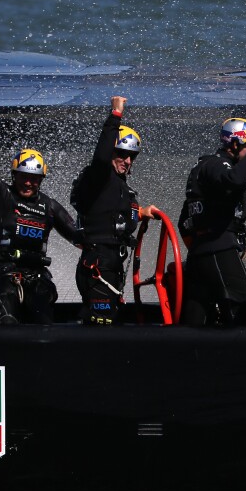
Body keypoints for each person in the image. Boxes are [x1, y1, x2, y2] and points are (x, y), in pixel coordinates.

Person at [0, 109, 81, 324]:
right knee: (6, 319)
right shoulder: (1, 195)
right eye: (23, 177)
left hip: (37, 278)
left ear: (41, 179)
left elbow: (79, 238)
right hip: (4, 276)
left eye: (34, 179)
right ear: (14, 175)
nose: (28, 183)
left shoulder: (49, 206)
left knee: (44, 322)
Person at [71, 96, 159, 325]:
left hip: (112, 266)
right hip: (97, 263)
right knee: (101, 321)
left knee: (108, 318)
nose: (127, 161)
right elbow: (100, 156)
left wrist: (140, 212)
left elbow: (115, 216)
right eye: (121, 154)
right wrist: (115, 114)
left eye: (132, 156)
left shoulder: (123, 188)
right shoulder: (98, 176)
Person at [178, 117, 246, 326]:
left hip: (206, 252)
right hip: (218, 250)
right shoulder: (215, 164)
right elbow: (234, 180)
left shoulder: (211, 167)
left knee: (199, 320)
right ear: (234, 144)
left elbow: (183, 221)